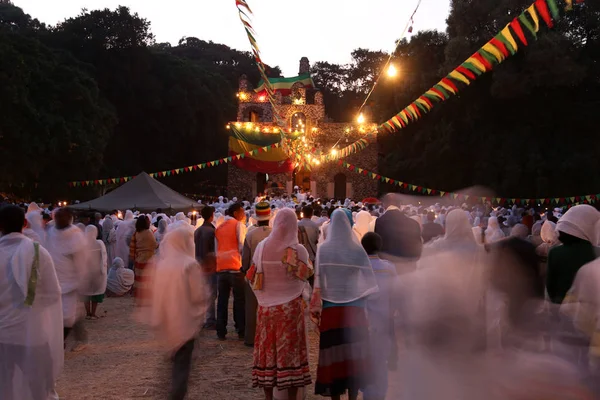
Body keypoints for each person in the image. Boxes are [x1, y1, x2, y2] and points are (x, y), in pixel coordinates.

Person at [311, 209, 378, 400]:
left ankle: (335, 397)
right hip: (354, 310)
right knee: (353, 355)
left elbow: (318, 280)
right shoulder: (357, 250)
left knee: (334, 355)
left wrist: (318, 304)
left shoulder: (324, 249)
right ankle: (353, 396)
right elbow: (369, 280)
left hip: (331, 309)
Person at [247, 208, 313, 400]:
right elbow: (305, 276)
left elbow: (252, 276)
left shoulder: (261, 247)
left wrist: (266, 296)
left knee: (268, 352)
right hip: (290, 310)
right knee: (289, 354)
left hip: (266, 310)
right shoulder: (296, 250)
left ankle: (269, 397)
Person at [0, 205, 63, 400]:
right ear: (25, 223)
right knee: (39, 389)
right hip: (34, 333)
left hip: (2, 336)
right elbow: (53, 294)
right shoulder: (39, 253)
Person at [149, 228, 208, 400]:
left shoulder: (161, 264)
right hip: (185, 322)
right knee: (182, 367)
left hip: (167, 322)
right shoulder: (189, 264)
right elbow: (198, 295)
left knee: (175, 363)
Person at [361, 232, 397, 400]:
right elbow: (395, 292)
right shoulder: (389, 267)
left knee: (366, 359)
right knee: (381, 360)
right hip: (384, 319)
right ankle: (380, 394)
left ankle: (368, 394)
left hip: (364, 321)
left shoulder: (359, 267)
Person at [45, 208, 88, 349]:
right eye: (58, 217)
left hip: (70, 282)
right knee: (58, 315)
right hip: (53, 280)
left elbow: (81, 260)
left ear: (69, 218)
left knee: (69, 315)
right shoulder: (50, 231)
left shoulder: (76, 235)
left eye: (62, 217)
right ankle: (61, 341)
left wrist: (81, 278)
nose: (59, 220)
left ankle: (73, 340)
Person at [547, 205, 600, 304]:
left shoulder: (555, 252)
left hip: (560, 307)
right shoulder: (596, 252)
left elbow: (551, 287)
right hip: (590, 310)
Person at [241, 201, 272, 347]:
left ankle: (251, 338)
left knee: (251, 307)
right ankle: (268, 339)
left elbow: (245, 258)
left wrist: (245, 270)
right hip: (271, 275)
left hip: (253, 274)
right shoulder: (274, 233)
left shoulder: (250, 234)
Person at [215, 203, 247, 340]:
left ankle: (221, 330)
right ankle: (240, 329)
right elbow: (242, 245)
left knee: (222, 300)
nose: (243, 215)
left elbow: (217, 248)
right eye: (242, 212)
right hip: (236, 267)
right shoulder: (238, 225)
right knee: (239, 300)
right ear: (235, 213)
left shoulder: (219, 227)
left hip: (221, 267)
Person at [374, 194, 422, 274]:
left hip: (388, 271)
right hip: (409, 270)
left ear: (384, 204)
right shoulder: (414, 223)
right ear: (399, 205)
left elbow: (378, 248)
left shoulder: (379, 222)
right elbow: (418, 250)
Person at [194, 206, 217, 330]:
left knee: (202, 293)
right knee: (210, 294)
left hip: (199, 264)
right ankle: (210, 319)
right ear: (211, 215)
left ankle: (202, 318)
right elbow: (213, 250)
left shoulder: (198, 230)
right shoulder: (211, 231)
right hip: (209, 265)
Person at [129, 215, 157, 305]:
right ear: (145, 223)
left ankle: (140, 301)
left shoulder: (136, 233)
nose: (149, 222)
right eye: (148, 221)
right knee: (148, 280)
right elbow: (154, 245)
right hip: (148, 259)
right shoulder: (148, 232)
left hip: (139, 259)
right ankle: (147, 300)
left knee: (140, 280)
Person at [81, 225, 107, 320]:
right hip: (96, 272)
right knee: (95, 294)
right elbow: (103, 258)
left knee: (86, 294)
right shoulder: (99, 243)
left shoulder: (82, 244)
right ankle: (93, 313)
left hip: (86, 272)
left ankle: (88, 313)